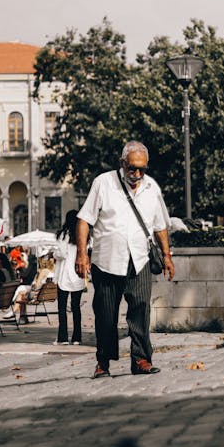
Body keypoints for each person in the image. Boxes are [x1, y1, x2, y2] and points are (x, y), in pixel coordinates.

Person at [76, 140, 174, 379]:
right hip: (107, 260)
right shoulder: (103, 183)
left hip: (139, 259)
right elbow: (84, 221)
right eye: (132, 168)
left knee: (140, 310)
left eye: (142, 168)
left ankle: (140, 359)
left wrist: (167, 256)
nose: (137, 173)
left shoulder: (152, 188)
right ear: (122, 164)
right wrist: (81, 255)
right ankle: (103, 362)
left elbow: (160, 226)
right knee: (106, 314)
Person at [51, 210, 85, 345]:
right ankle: (77, 337)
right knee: (76, 307)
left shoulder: (62, 235)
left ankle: (63, 337)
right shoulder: (83, 235)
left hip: (64, 275)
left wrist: (54, 254)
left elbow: (62, 253)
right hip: (78, 274)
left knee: (62, 308)